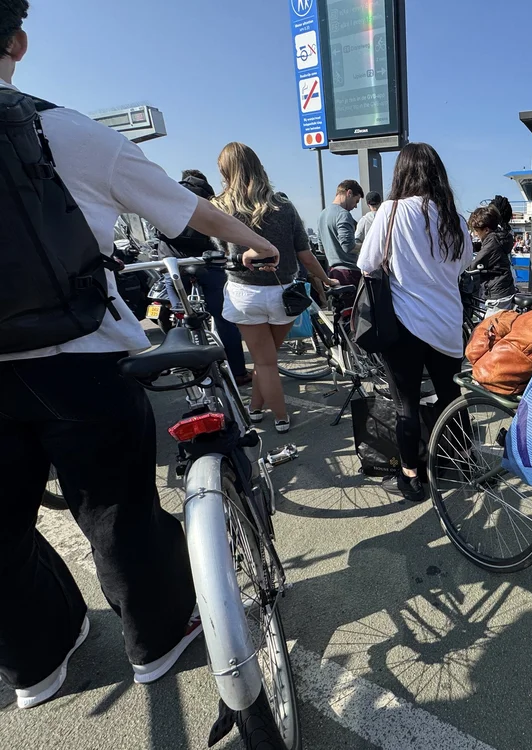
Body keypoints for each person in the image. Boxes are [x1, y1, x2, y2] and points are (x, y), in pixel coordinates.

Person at [0, 1, 282, 709]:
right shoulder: (59, 128)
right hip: (79, 359)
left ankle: (35, 662)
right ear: (19, 40)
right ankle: (155, 642)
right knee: (114, 508)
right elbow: (189, 213)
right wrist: (256, 241)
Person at [357, 142, 474, 502]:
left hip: (404, 326)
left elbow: (366, 263)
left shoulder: (391, 211)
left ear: (401, 173)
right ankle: (463, 461)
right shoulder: (455, 217)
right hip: (447, 323)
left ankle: (411, 476)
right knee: (451, 396)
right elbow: (465, 261)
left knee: (406, 402)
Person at [215, 142, 335, 434]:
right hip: (284, 294)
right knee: (267, 359)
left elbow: (222, 252)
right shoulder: (283, 205)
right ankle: (257, 408)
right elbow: (306, 256)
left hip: (245, 292)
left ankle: (278, 416)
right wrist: (326, 279)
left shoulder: (220, 206)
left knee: (263, 361)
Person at [152, 169, 251, 386]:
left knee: (181, 319)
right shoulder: (209, 199)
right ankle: (239, 372)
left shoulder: (169, 193)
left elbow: (155, 230)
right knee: (224, 320)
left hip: (174, 265)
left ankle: (192, 372)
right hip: (207, 264)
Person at [467, 203, 517, 316]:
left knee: (487, 331)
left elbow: (474, 264)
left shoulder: (492, 242)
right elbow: (481, 246)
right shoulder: (498, 237)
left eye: (477, 230)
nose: (475, 233)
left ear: (486, 230)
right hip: (502, 289)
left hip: (498, 293)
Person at [317, 178, 364, 285]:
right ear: (349, 193)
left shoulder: (322, 215)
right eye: (356, 201)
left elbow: (322, 248)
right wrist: (366, 245)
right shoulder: (343, 214)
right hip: (349, 274)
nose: (355, 206)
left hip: (333, 273)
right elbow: (348, 246)